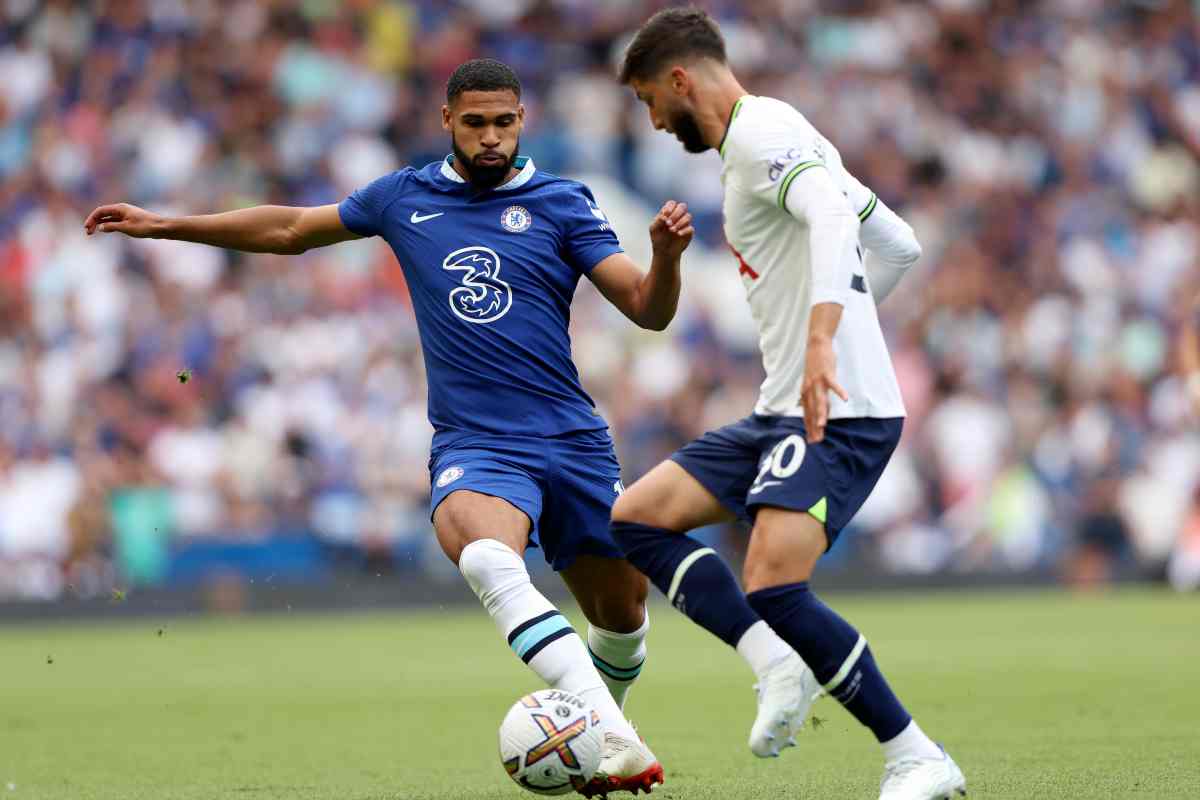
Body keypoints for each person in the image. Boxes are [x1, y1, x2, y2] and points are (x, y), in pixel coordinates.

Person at [84, 58, 692, 797]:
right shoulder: (403, 197)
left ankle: (602, 734)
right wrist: (165, 224)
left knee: (622, 617)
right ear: (447, 121)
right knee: (485, 559)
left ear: (522, 120)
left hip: (571, 440)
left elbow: (648, 310)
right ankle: (620, 741)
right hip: (478, 443)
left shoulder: (564, 202)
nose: (492, 137)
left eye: (505, 122)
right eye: (476, 123)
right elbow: (288, 228)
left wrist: (664, 261)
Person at [609, 8, 965, 800]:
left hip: (840, 410)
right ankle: (775, 664)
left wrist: (826, 341)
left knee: (773, 581)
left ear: (678, 80)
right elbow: (896, 242)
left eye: (646, 101)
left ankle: (916, 755)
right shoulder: (778, 134)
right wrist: (846, 325)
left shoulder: (764, 136)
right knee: (636, 518)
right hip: (785, 406)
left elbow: (837, 219)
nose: (654, 122)